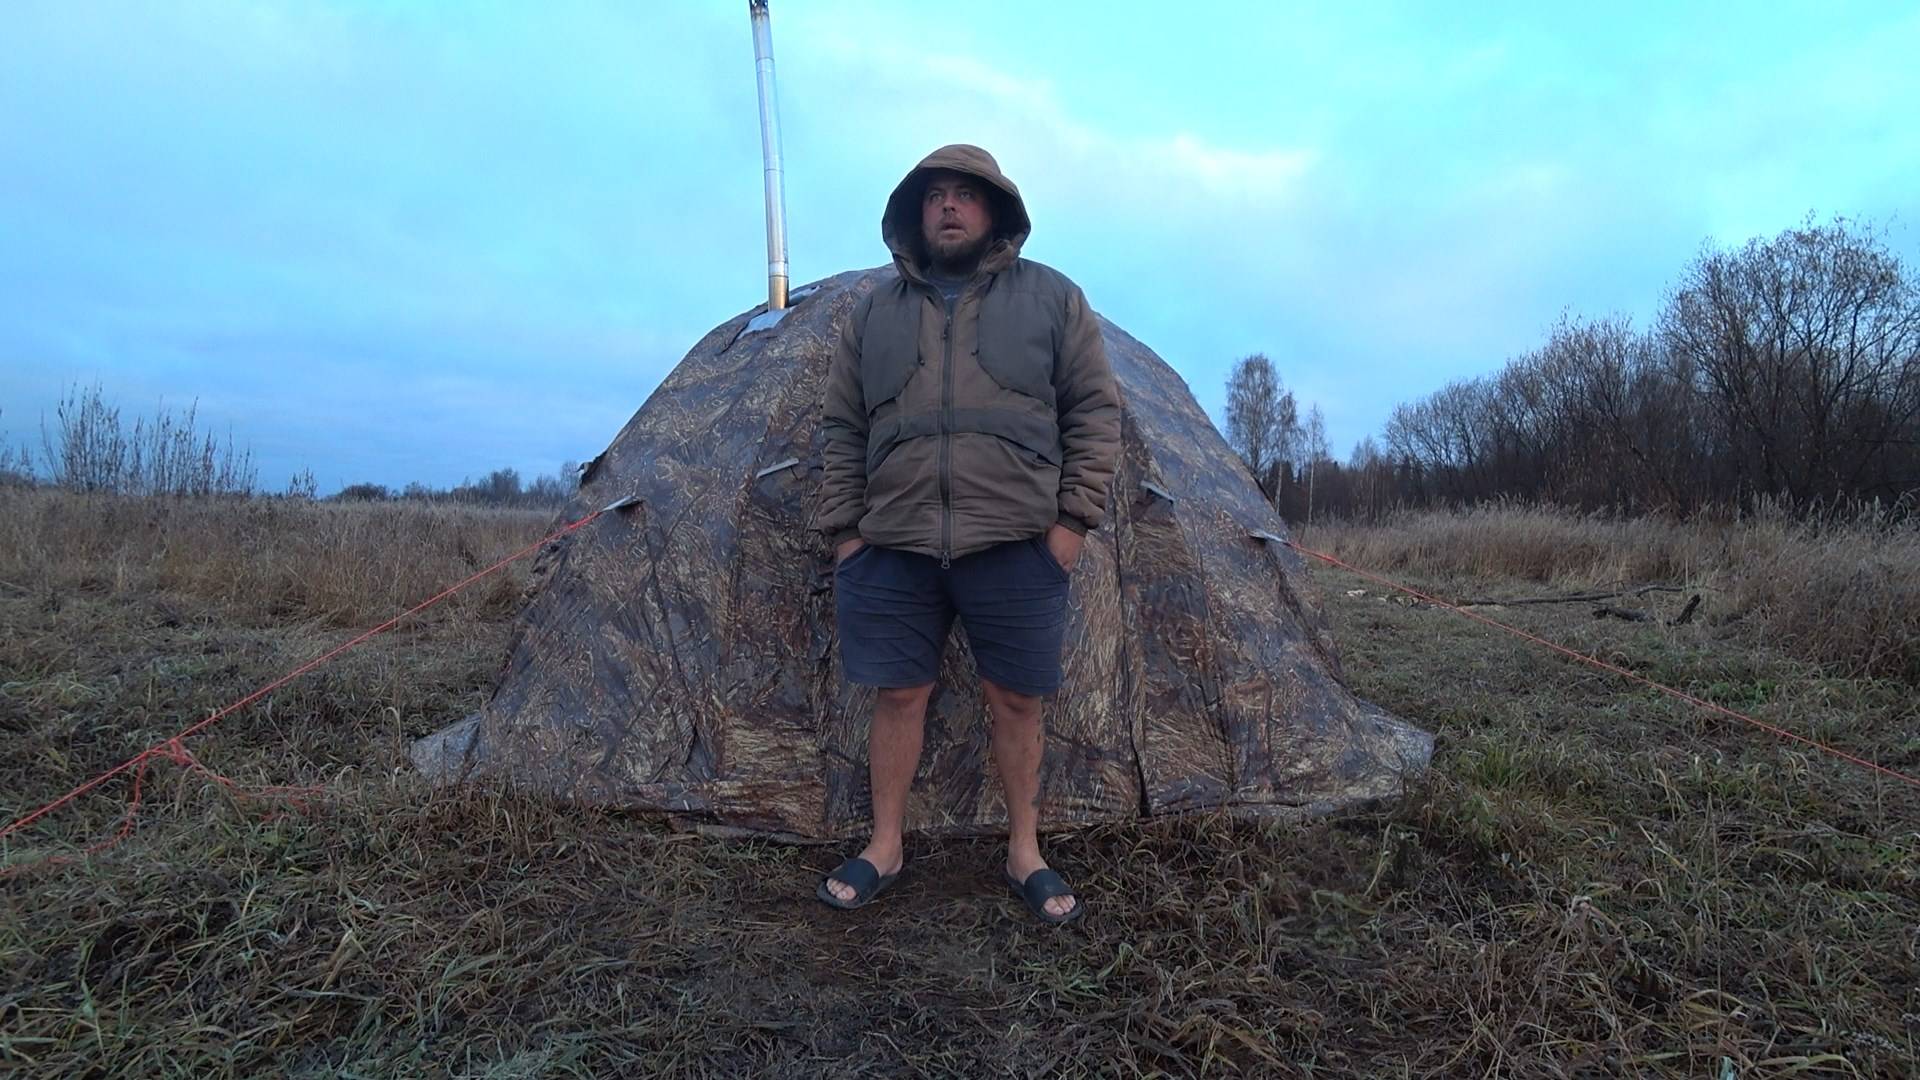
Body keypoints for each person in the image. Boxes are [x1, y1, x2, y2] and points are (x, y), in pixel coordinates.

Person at [813, 144, 1121, 924]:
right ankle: (885, 844)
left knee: (1017, 700)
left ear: (996, 212)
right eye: (934, 196)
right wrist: (847, 534)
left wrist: (1070, 525)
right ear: (914, 214)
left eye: (965, 195)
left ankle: (1026, 851)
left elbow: (1093, 411)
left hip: (1016, 541)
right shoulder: (875, 312)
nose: (948, 207)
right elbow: (844, 426)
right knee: (898, 695)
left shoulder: (1052, 298)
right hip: (893, 545)